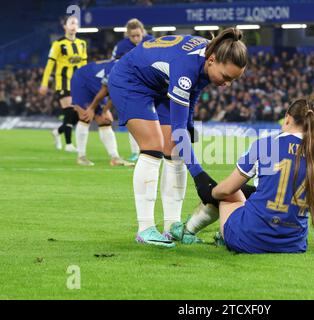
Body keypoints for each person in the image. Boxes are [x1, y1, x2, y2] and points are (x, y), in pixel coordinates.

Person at [108, 28, 248, 248]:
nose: (227, 84)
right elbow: (179, 129)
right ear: (212, 61)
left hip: (160, 83)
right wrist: (200, 176)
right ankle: (145, 229)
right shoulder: (186, 67)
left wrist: (190, 124)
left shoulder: (207, 59)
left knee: (174, 150)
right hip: (130, 80)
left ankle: (172, 228)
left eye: (233, 80)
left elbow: (193, 93)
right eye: (226, 77)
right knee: (153, 147)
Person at [171, 97, 314, 253]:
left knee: (229, 191)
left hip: (249, 239)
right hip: (293, 243)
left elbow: (227, 190)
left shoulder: (266, 145)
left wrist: (209, 192)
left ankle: (189, 231)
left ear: (287, 118)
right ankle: (196, 231)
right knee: (253, 193)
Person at [71, 59, 134, 167]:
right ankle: (81, 157)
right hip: (82, 80)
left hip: (97, 84)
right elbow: (105, 90)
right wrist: (91, 108)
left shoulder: (133, 70)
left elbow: (116, 93)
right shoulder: (118, 69)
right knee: (85, 117)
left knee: (104, 120)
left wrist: (105, 111)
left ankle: (115, 158)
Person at [39, 15, 87, 152]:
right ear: (64, 26)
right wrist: (44, 83)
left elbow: (84, 65)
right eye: (71, 23)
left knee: (77, 115)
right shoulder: (58, 44)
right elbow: (49, 65)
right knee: (69, 111)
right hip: (63, 82)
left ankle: (57, 132)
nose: (74, 26)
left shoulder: (82, 44)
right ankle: (69, 144)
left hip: (78, 84)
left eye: (76, 23)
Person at [111, 18, 155, 162]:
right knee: (134, 117)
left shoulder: (152, 42)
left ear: (143, 32)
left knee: (156, 118)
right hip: (131, 86)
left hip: (152, 85)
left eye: (138, 35)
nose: (136, 38)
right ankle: (136, 152)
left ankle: (156, 148)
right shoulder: (121, 46)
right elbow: (113, 66)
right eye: (132, 36)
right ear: (127, 35)